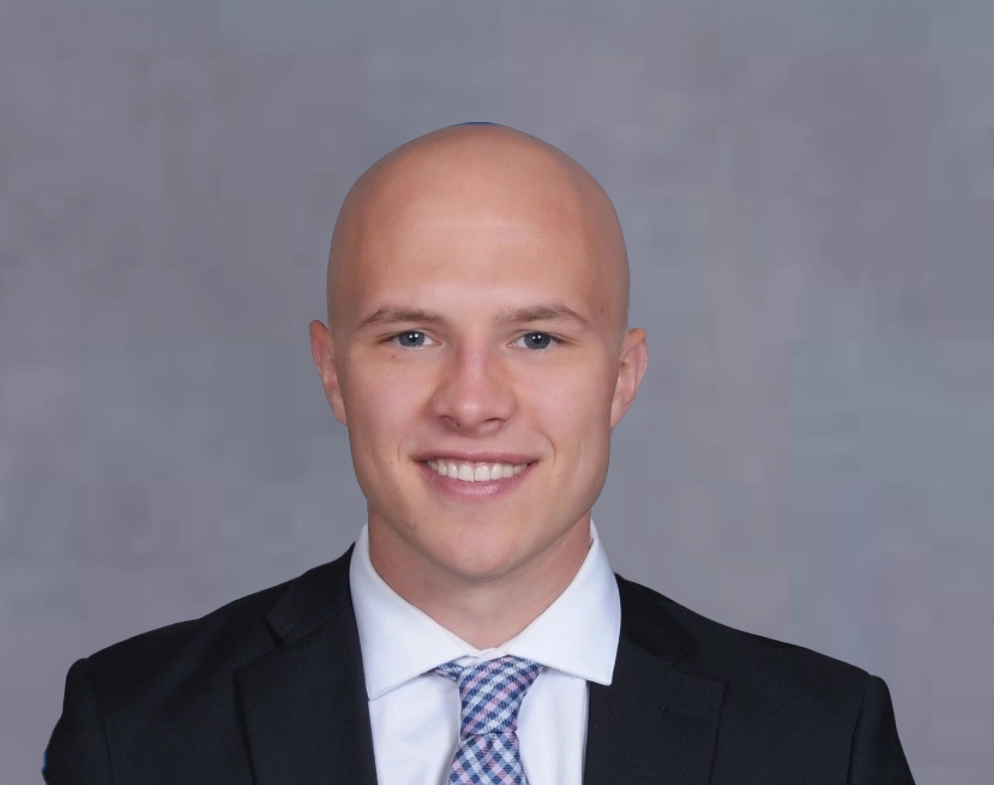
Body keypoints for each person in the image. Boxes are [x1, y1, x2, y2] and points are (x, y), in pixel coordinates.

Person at [44, 123, 914, 784]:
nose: (470, 402)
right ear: (332, 371)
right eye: (412, 335)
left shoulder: (820, 742)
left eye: (535, 339)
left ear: (620, 377)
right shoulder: (136, 730)